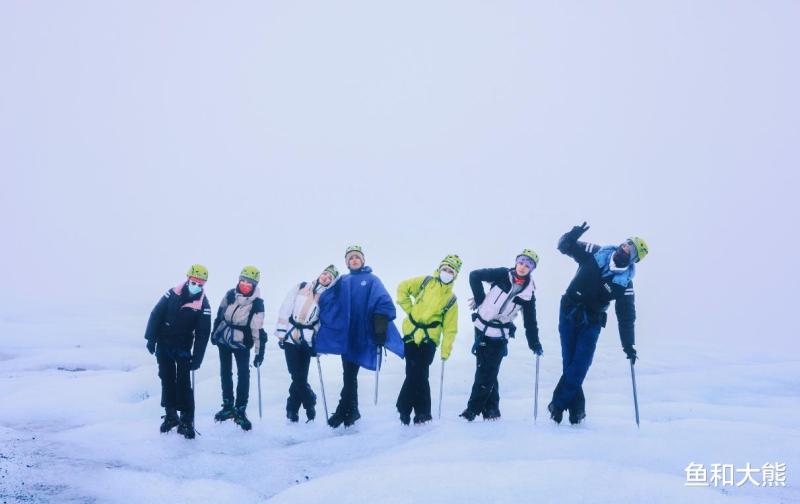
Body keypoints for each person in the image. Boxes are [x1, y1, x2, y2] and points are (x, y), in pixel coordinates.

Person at [547, 222, 648, 425]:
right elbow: (564, 246)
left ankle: (557, 405)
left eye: (630, 249)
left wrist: (628, 345)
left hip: (592, 321)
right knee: (570, 362)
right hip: (568, 311)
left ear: (634, 258)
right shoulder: (596, 252)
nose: (624, 248)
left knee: (580, 364)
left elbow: (626, 316)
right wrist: (572, 235)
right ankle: (577, 412)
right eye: (626, 243)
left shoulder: (625, 283)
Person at [315, 245, 404, 428]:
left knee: (349, 374)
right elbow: (330, 298)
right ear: (347, 263)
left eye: (357, 257)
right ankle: (351, 411)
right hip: (346, 334)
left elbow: (383, 302)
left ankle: (344, 410)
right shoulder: (343, 280)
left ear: (362, 260)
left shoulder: (372, 280)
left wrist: (380, 328)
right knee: (348, 374)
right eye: (350, 258)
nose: (354, 260)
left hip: (362, 334)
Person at [460, 250, 543, 421]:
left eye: (528, 265)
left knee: (487, 371)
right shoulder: (501, 274)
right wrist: (480, 298)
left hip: (500, 333)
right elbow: (474, 275)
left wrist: (534, 343)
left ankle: (471, 411)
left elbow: (530, 322)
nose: (522, 267)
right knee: (487, 370)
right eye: (521, 262)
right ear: (516, 262)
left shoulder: (528, 295)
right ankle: (491, 410)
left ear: (531, 269)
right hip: (482, 328)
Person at [144, 264, 212, 439]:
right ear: (188, 278)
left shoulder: (203, 304)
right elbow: (156, 314)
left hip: (183, 347)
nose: (196, 285)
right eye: (194, 281)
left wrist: (197, 357)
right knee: (167, 379)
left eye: (200, 284)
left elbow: (203, 334)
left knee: (183, 383)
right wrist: (151, 338)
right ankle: (171, 415)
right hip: (164, 343)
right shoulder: (172, 293)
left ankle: (187, 421)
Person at [395, 255, 461, 425]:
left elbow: (450, 328)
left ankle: (404, 407)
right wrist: (410, 310)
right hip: (411, 332)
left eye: (451, 271)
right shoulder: (425, 282)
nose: (447, 273)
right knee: (416, 373)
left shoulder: (451, 300)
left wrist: (446, 350)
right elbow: (402, 288)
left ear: (455, 275)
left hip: (429, 338)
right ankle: (422, 413)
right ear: (439, 269)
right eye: (445, 269)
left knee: (418, 371)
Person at [276, 265, 340, 422]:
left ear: (331, 282)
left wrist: (317, 345)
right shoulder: (301, 287)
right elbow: (286, 306)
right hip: (291, 335)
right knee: (296, 375)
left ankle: (292, 411)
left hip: (308, 339)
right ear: (320, 274)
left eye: (329, 278)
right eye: (325, 274)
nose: (325, 277)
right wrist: (281, 332)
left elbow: (323, 323)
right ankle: (310, 401)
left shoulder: (327, 298)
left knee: (300, 377)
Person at [210, 266, 266, 431]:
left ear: (254, 285)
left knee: (243, 374)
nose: (245, 284)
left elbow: (257, 329)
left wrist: (259, 352)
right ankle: (228, 406)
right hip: (224, 339)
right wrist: (214, 333)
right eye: (242, 280)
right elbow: (220, 314)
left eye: (249, 283)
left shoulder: (257, 303)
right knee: (225, 372)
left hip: (242, 343)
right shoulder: (230, 294)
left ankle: (240, 410)